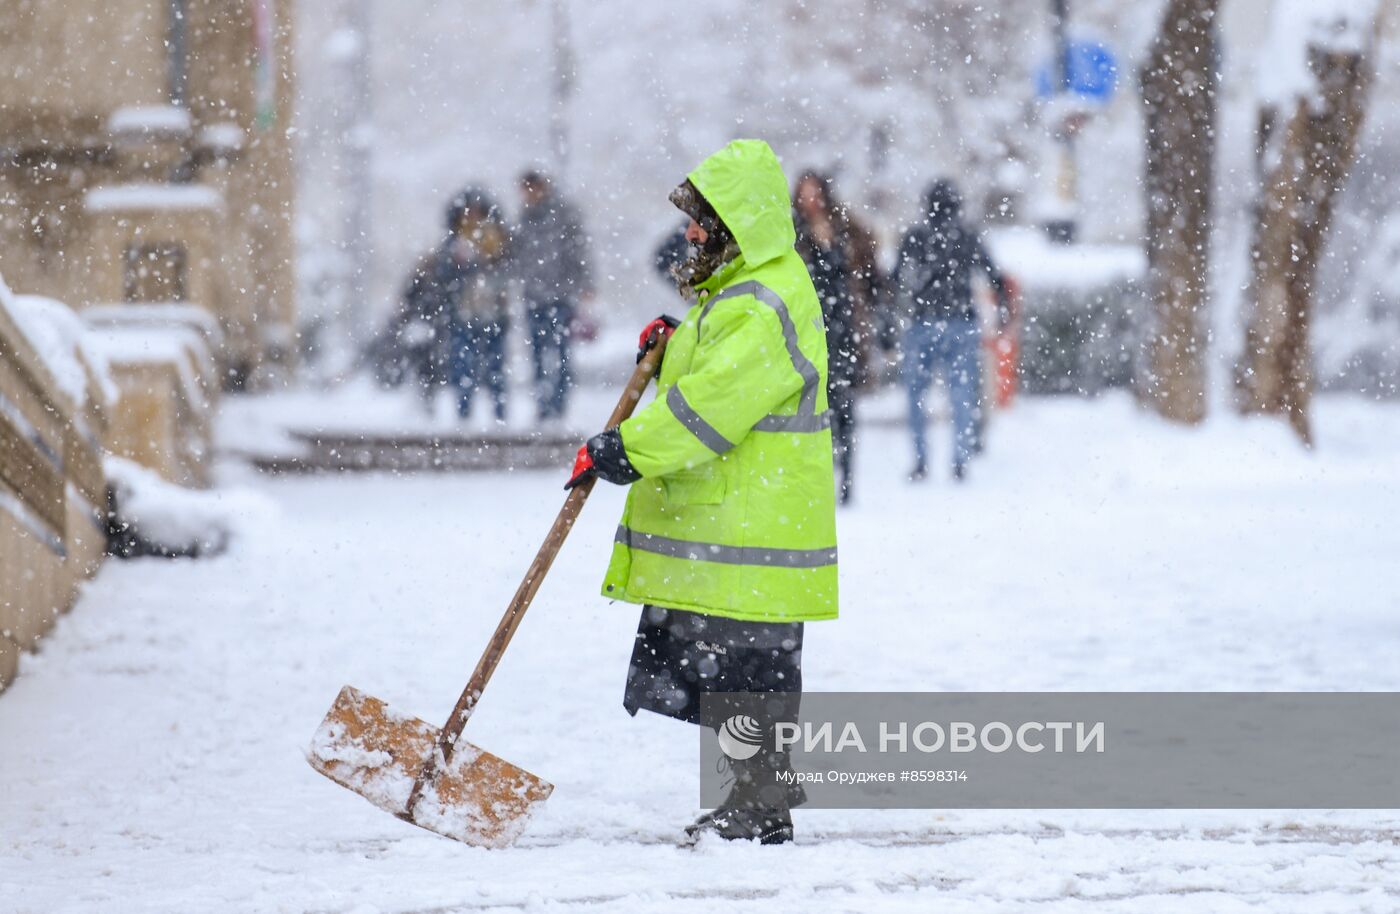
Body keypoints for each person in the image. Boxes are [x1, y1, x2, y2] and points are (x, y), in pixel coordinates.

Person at [565, 139, 838, 845]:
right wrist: (677, 341)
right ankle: (751, 802)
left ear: (736, 224)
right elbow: (717, 371)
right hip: (741, 523)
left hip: (755, 526)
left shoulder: (766, 299)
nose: (690, 232)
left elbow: (711, 409)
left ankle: (757, 810)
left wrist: (623, 449)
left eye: (702, 220)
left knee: (752, 671)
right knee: (738, 671)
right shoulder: (748, 291)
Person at [892, 179, 1010, 482]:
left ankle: (921, 461)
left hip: (922, 324)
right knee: (961, 396)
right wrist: (1003, 312)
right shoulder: (968, 236)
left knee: (917, 397)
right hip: (961, 323)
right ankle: (959, 459)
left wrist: (887, 322)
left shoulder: (916, 237)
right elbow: (994, 276)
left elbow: (895, 281)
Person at [793, 170, 860, 505]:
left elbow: (855, 272)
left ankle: (846, 476)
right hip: (807, 328)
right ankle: (814, 476)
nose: (811, 201)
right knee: (811, 407)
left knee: (844, 406)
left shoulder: (841, 226)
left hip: (840, 328)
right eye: (805, 194)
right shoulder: (792, 231)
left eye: (815, 193)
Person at [511, 170, 593, 422]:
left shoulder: (563, 214)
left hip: (560, 296)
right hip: (533, 297)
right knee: (537, 353)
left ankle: (559, 405)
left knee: (560, 352)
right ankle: (543, 406)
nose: (529, 194)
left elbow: (578, 249)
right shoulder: (524, 218)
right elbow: (516, 255)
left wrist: (585, 283)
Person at [447, 189, 511, 421]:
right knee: (463, 368)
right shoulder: (453, 243)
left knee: (496, 368)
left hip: (493, 313)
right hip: (464, 313)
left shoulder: (498, 239)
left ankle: (499, 417)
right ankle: (464, 415)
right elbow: (445, 278)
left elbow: (507, 271)